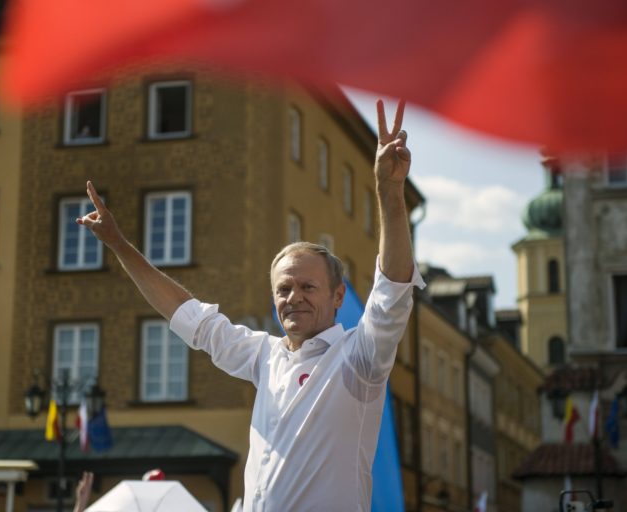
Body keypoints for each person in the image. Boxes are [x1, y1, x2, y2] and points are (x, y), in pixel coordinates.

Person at [77, 100, 424, 511]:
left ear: (338, 296)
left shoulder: (359, 360)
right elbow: (189, 317)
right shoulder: (266, 356)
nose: (292, 297)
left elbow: (392, 292)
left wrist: (389, 192)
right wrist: (120, 246)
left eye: (307, 286)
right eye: (283, 289)